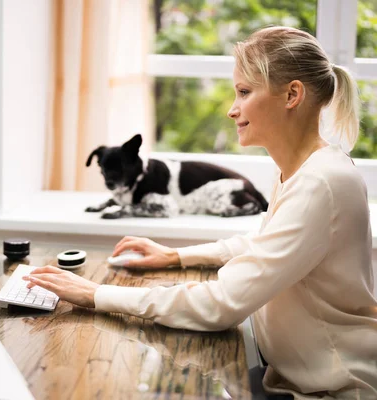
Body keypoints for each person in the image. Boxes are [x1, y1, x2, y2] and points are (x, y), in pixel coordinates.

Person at [23, 26, 377, 398]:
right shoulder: (306, 170)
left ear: (292, 95)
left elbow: (222, 304)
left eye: (244, 92)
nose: (232, 109)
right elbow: (265, 246)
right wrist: (175, 255)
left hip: (338, 389)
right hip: (295, 376)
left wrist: (97, 294)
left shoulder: (320, 182)